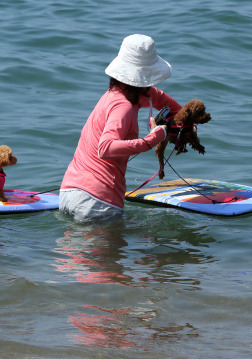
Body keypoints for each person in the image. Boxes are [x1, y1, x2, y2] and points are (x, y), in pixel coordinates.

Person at [60, 34, 182, 221]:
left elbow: (171, 106)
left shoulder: (115, 94)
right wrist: (154, 138)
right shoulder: (123, 107)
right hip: (97, 203)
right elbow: (106, 148)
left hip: (69, 192)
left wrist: (189, 124)